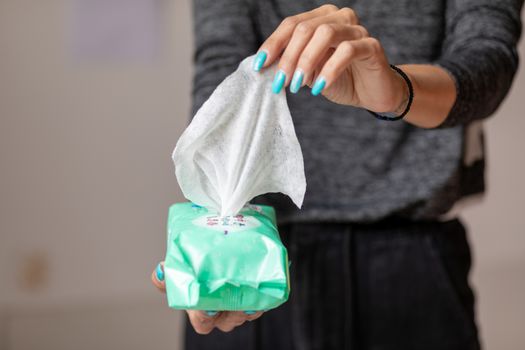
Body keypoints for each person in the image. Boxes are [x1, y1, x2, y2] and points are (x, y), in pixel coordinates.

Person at [151, 1, 524, 349]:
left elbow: (487, 55)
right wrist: (209, 237)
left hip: (410, 262)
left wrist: (396, 91)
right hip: (257, 249)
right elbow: (222, 65)